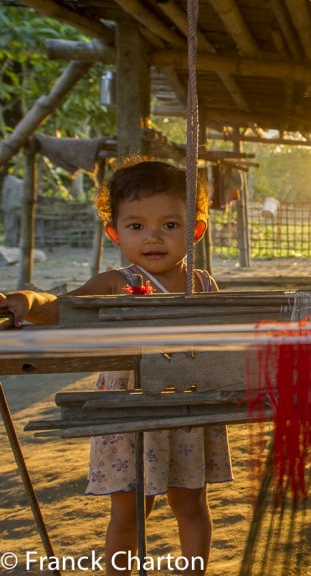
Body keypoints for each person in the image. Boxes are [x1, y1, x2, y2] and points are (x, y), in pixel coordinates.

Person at [0, 160, 232, 575]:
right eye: (137, 226)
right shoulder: (116, 282)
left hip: (187, 410)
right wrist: (25, 301)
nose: (154, 237)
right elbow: (60, 307)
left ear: (196, 230)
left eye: (170, 225)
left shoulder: (204, 284)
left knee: (191, 502)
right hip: (128, 409)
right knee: (130, 510)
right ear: (115, 233)